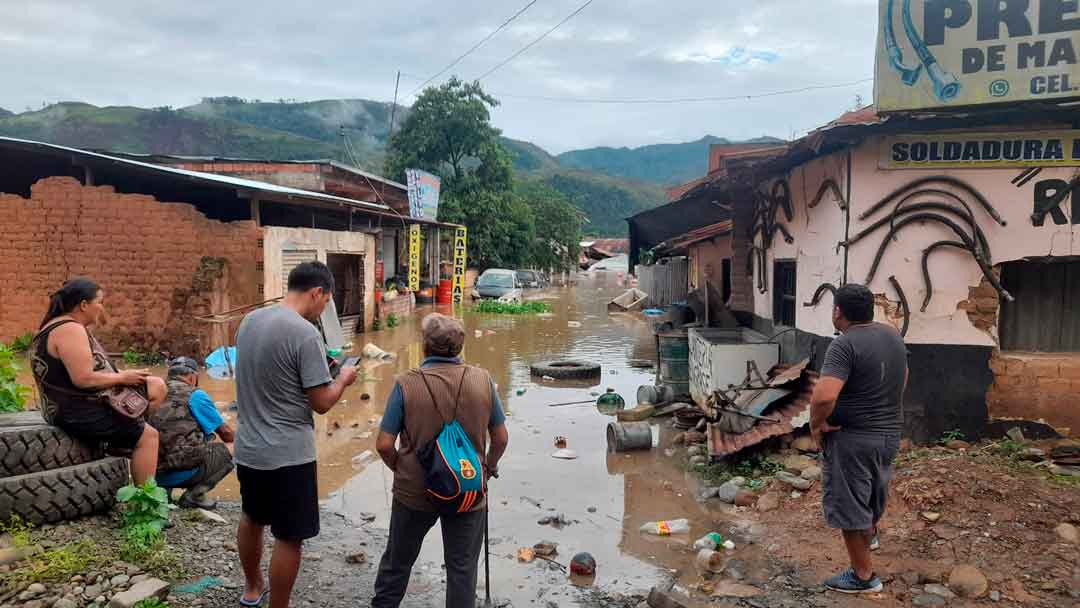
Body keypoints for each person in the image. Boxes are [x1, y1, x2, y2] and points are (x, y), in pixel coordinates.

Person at [233, 261, 358, 608]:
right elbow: (321, 402)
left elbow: (273, 374)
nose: (323, 310)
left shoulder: (250, 321)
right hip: (289, 456)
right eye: (325, 302)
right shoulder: (304, 333)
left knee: (252, 517)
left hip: (248, 449)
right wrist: (344, 379)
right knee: (289, 537)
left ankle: (252, 588)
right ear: (317, 293)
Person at [372, 313, 510, 608]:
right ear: (460, 347)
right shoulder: (482, 380)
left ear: (424, 346)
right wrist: (488, 467)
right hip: (469, 489)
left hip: (414, 493)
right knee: (462, 570)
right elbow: (500, 439)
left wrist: (403, 468)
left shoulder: (405, 384)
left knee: (398, 562)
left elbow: (384, 444)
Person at [809, 283, 907, 594]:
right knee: (874, 491)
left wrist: (816, 426)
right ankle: (871, 533)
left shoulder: (844, 344)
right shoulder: (891, 334)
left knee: (849, 505)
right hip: (889, 433)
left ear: (838, 311)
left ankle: (863, 577)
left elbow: (824, 397)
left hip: (853, 440)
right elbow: (903, 377)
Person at [31, 278, 167, 485]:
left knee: (156, 385)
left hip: (63, 406)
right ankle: (146, 503)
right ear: (84, 305)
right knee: (149, 436)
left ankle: (121, 440)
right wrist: (122, 377)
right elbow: (83, 379)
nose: (101, 308)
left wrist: (124, 375)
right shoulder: (70, 329)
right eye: (100, 302)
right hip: (75, 411)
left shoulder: (56, 326)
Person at [151, 356, 236, 509]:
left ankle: (162, 494)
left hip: (151, 475)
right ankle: (194, 496)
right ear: (193, 376)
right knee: (236, 446)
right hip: (183, 472)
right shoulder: (195, 395)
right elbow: (227, 434)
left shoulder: (153, 392)